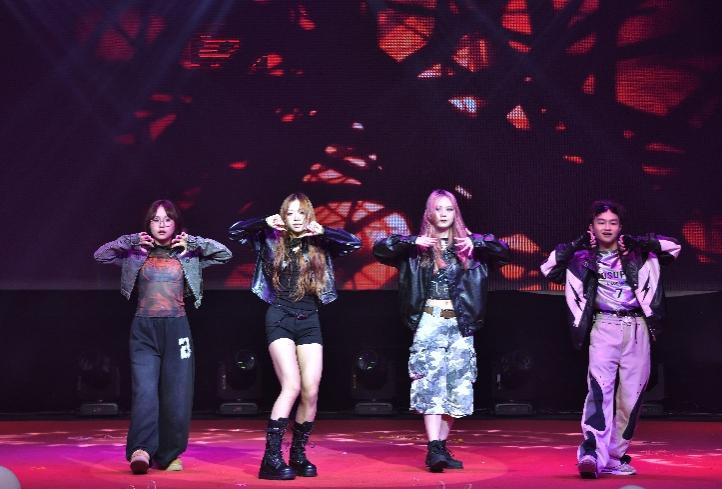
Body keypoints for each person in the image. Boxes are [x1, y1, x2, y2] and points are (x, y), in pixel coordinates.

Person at [540, 199, 681, 479]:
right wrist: (579, 242)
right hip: (603, 326)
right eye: (601, 222)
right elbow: (548, 267)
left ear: (620, 226)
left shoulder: (639, 254)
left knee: (631, 397)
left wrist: (638, 241)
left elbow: (673, 247)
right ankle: (592, 453)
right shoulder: (581, 258)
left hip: (637, 328)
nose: (607, 227)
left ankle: (614, 456)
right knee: (599, 391)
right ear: (591, 226)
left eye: (613, 223)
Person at [373, 189, 509, 472]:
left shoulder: (469, 246)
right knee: (429, 384)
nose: (444, 214)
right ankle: (433, 447)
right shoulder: (417, 249)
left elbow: (503, 252)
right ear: (430, 213)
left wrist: (476, 242)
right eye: (438, 209)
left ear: (455, 212)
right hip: (430, 321)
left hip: (461, 324)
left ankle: (442, 446)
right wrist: (412, 240)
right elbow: (380, 249)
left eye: (449, 209)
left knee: (458, 386)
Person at [228, 192, 361, 480]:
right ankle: (270, 460)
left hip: (310, 318)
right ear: (283, 216)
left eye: (302, 213)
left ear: (309, 215)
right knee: (291, 385)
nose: (297, 218)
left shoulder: (320, 241)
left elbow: (354, 243)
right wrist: (264, 222)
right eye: (291, 213)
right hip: (280, 316)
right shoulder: (270, 239)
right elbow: (235, 231)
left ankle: (298, 455)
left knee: (311, 390)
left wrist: (324, 231)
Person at [94, 199, 232, 474]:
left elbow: (224, 254)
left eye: (167, 219)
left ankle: (168, 454)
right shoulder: (136, 253)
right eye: (155, 219)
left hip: (177, 329)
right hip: (144, 329)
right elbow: (101, 255)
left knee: (177, 394)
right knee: (145, 391)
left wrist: (193, 243)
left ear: (176, 224)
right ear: (148, 224)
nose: (161, 225)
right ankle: (141, 450)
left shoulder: (188, 255)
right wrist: (131, 241)